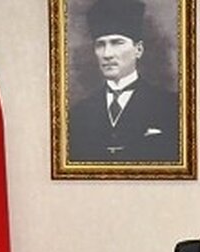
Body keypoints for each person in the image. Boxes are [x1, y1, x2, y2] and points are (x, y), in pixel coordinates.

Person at [68, 0, 179, 162]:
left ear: (138, 50)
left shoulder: (171, 106)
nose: (107, 54)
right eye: (100, 45)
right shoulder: (78, 114)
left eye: (117, 43)